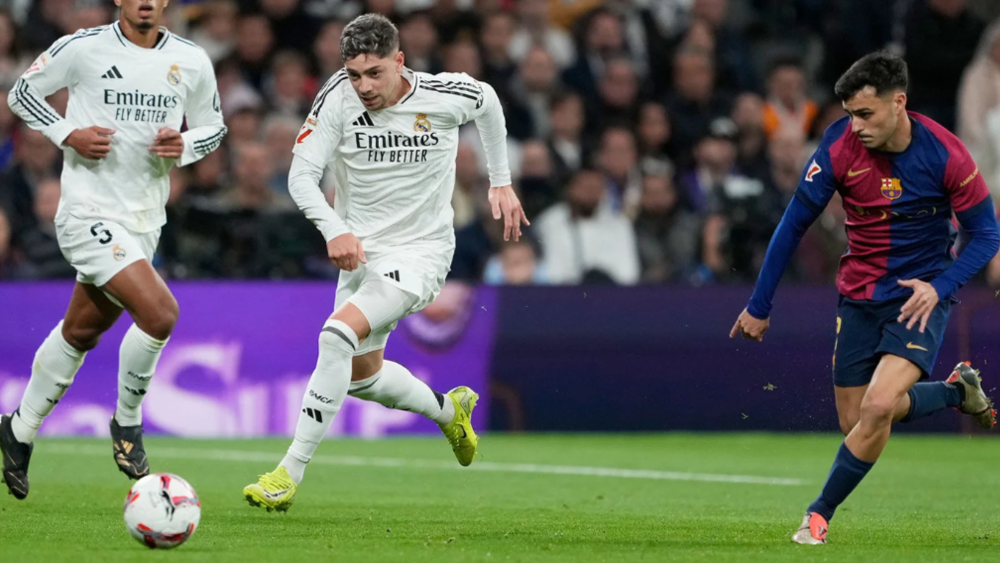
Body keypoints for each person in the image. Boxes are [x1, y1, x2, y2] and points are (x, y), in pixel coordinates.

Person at [242, 13, 526, 511]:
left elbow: (488, 102)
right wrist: (335, 228)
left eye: (375, 73)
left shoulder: (443, 94)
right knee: (360, 376)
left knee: (335, 335)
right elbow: (301, 177)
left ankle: (287, 473)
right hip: (359, 251)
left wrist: (499, 179)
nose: (364, 86)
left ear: (399, 60)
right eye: (354, 74)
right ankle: (447, 410)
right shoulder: (337, 99)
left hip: (421, 252)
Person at [729, 52, 1000, 545]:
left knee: (878, 408)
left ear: (899, 103)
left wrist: (940, 286)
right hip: (858, 295)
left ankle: (818, 514)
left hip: (920, 296)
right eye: (850, 114)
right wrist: (759, 304)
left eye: (865, 114)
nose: (854, 126)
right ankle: (958, 392)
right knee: (858, 421)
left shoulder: (946, 154)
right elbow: (794, 224)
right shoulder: (837, 146)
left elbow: (986, 234)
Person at [0, 0, 227, 500]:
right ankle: (127, 423)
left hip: (145, 220)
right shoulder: (84, 48)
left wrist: (185, 145)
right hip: (87, 214)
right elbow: (22, 93)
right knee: (161, 313)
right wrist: (68, 133)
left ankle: (17, 428)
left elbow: (215, 127)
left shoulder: (191, 60)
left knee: (80, 331)